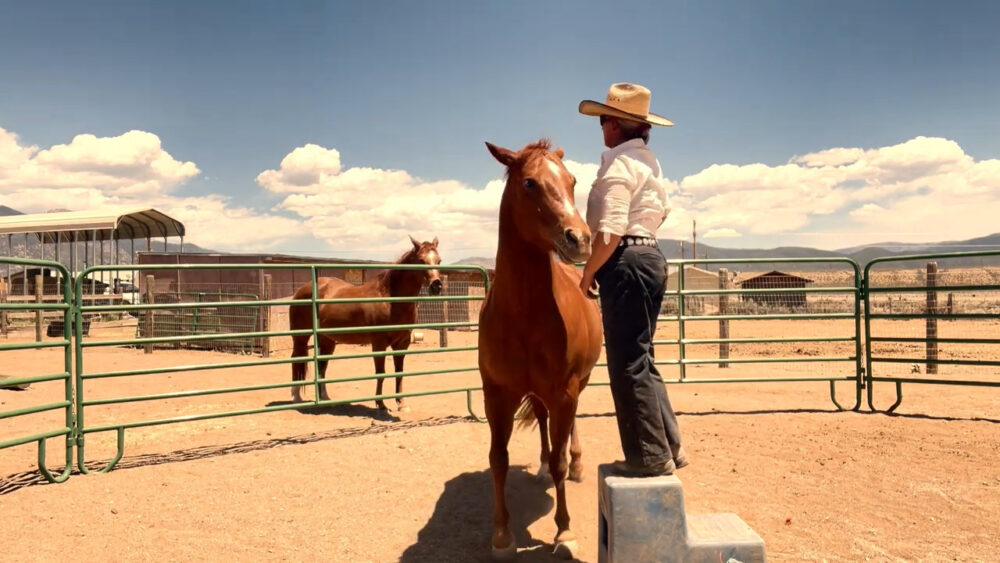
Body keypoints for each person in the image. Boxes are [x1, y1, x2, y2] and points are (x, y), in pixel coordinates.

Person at [578, 82, 687, 477]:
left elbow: (609, 230)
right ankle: (668, 446)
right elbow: (663, 210)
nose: (602, 125)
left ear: (616, 125)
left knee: (627, 363)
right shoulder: (649, 163)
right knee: (642, 357)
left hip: (625, 260)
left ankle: (647, 456)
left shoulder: (619, 165)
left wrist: (589, 271)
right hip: (651, 255)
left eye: (605, 119)